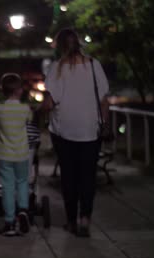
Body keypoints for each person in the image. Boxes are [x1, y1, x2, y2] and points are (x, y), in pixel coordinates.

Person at [41, 28, 110, 237]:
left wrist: (39, 110)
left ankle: (71, 221)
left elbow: (50, 102)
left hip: (64, 130)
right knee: (88, 176)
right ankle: (85, 218)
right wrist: (103, 123)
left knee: (69, 176)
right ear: (79, 44)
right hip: (91, 129)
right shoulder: (93, 64)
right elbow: (104, 100)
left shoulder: (57, 68)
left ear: (61, 46)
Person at [0, 73, 33, 236]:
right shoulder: (25, 109)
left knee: (7, 187)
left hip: (3, 155)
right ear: (19, 90)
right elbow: (29, 121)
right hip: (21, 154)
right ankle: (23, 210)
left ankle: (9, 223)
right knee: (22, 182)